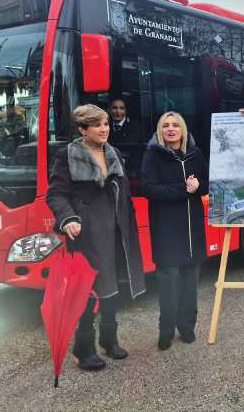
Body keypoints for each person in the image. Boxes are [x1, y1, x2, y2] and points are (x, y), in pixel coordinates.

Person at [46, 104, 146, 371]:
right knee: (88, 292)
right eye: (97, 125)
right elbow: (55, 194)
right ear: (82, 129)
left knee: (113, 287)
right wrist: (68, 218)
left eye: (106, 124)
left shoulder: (115, 154)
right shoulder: (67, 155)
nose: (104, 129)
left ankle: (109, 340)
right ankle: (83, 348)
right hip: (87, 233)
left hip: (116, 229)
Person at [140, 111, 207, 350]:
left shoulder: (195, 155)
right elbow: (149, 189)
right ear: (160, 130)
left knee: (190, 286)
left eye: (175, 125)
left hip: (193, 232)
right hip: (167, 231)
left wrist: (199, 187)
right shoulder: (152, 155)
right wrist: (183, 190)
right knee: (168, 286)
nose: (170, 129)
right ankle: (166, 331)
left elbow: (206, 183)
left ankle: (187, 328)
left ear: (182, 129)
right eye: (166, 125)